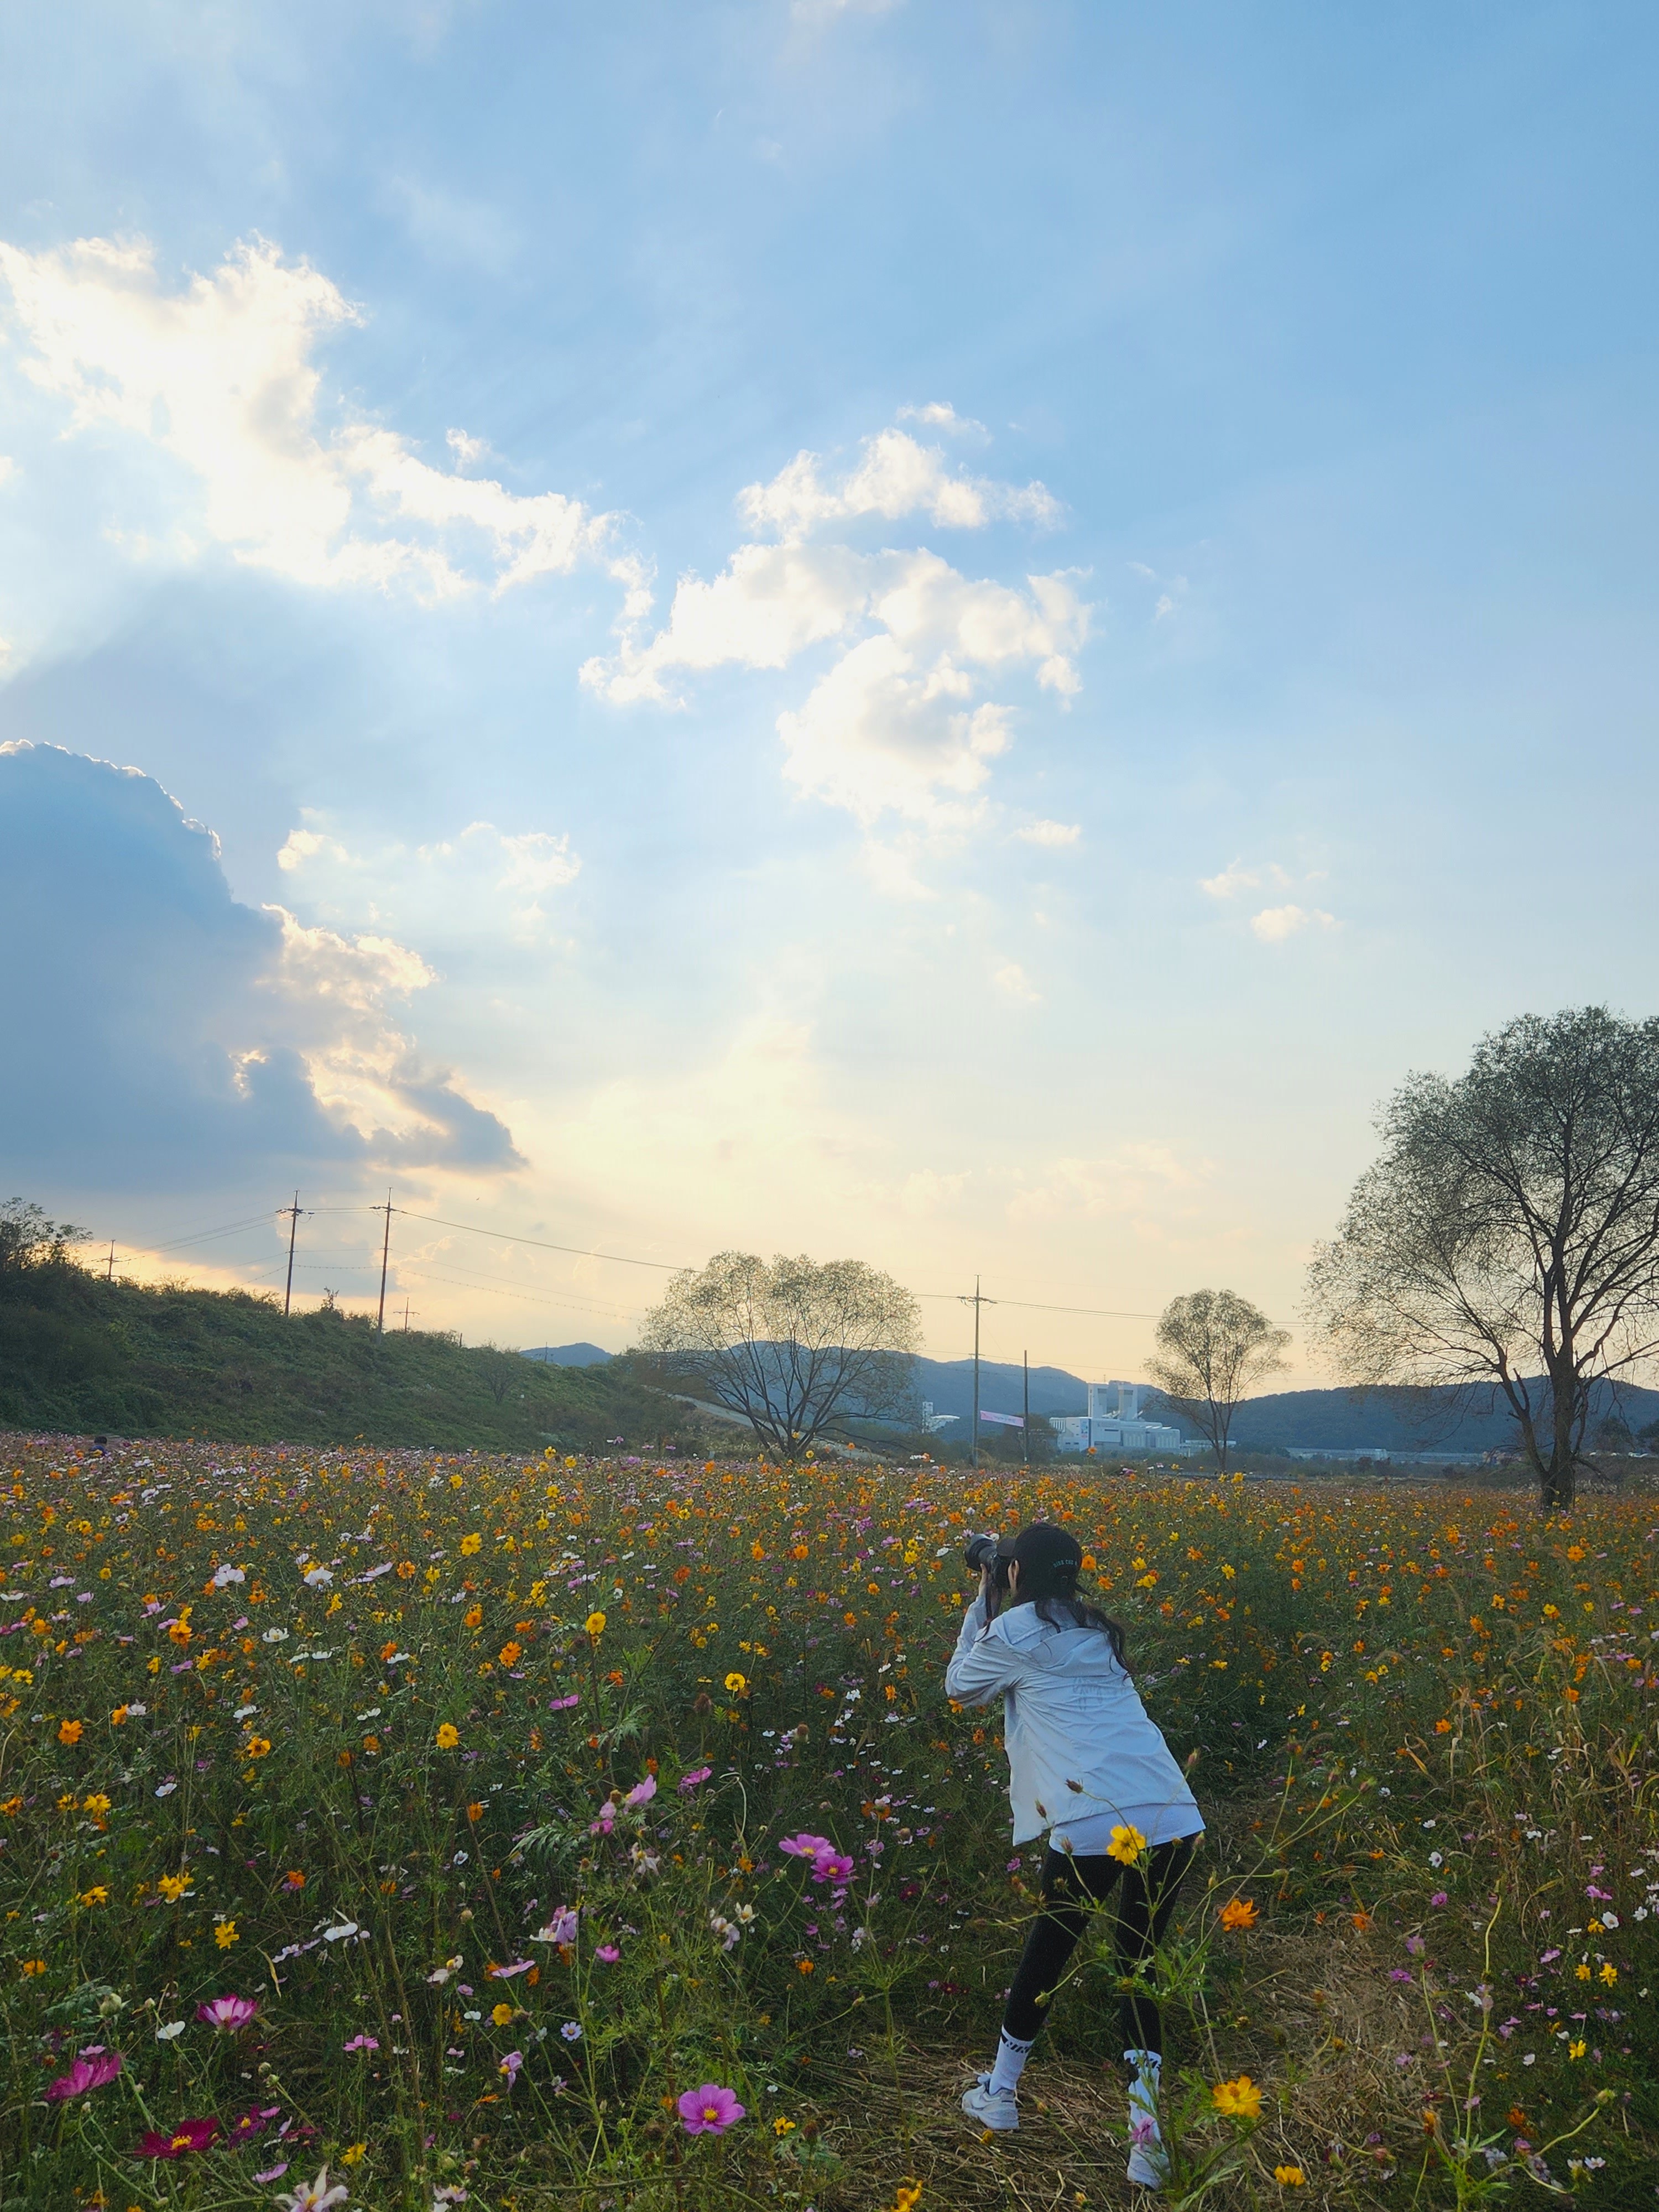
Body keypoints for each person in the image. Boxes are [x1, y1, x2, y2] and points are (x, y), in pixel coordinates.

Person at [944, 1522, 1203, 2189]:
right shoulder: (1099, 1631)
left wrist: (983, 1599)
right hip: (1172, 1810)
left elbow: (960, 1687)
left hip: (1094, 1817)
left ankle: (1000, 2094)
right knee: (1139, 1962)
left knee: (1050, 1948)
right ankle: (1146, 2141)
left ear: (1015, 1572)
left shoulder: (1013, 1631)